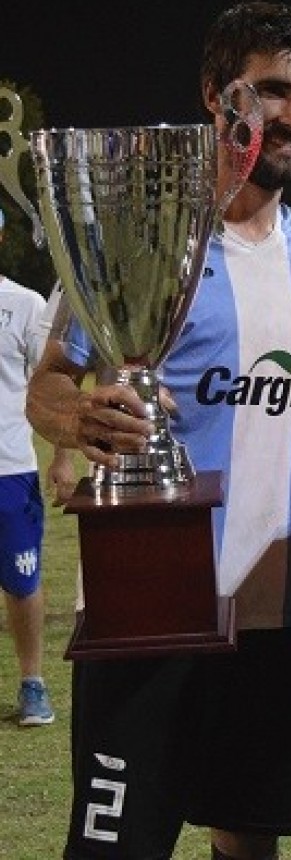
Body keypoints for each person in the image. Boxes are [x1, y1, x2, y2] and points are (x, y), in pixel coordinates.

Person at [25, 4, 291, 858]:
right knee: (119, 846)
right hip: (146, 605)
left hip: (271, 606)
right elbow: (46, 384)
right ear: (215, 93)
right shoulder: (136, 231)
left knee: (251, 835)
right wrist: (77, 417)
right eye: (273, 90)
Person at [0, 206, 55, 727]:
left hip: (9, 470)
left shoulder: (23, 303)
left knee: (23, 580)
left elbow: (54, 385)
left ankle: (32, 682)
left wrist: (62, 455)